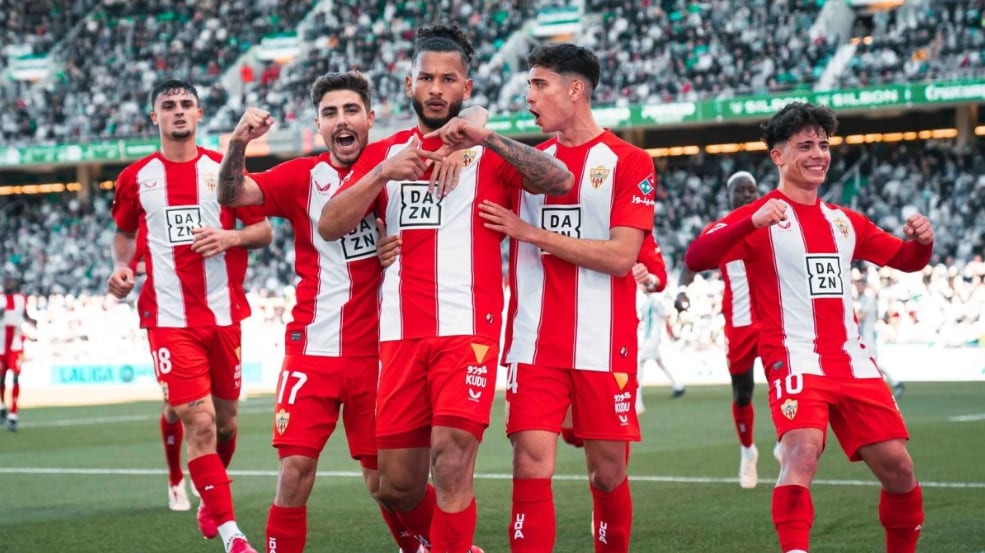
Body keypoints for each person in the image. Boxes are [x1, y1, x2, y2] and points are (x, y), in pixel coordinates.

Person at [318, 25, 573, 553]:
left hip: (467, 331)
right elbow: (330, 223)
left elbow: (559, 180)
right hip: (400, 337)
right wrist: (382, 173)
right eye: (428, 78)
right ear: (410, 83)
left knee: (453, 459)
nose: (437, 88)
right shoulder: (385, 154)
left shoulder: (485, 149)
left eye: (449, 79)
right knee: (397, 486)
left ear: (467, 88)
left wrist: (487, 137)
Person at [216, 71, 470, 553]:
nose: (342, 121)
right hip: (312, 349)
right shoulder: (300, 177)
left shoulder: (398, 170)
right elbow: (232, 196)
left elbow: (467, 123)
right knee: (294, 473)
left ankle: (435, 544)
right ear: (318, 124)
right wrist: (236, 144)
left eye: (351, 110)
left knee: (388, 485)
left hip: (377, 356)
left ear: (371, 118)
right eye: (330, 113)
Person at [685, 102, 931, 553]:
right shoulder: (760, 216)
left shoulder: (843, 221)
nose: (818, 153)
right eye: (804, 145)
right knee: (801, 453)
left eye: (823, 144)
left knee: (900, 471)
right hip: (795, 358)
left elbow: (906, 259)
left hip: (853, 362)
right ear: (777, 157)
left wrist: (923, 242)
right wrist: (748, 221)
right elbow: (696, 257)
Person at [474, 43, 656, 553]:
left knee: (607, 472)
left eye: (539, 84)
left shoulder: (629, 161)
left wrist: (532, 235)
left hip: (604, 343)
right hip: (534, 343)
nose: (528, 95)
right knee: (530, 462)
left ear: (575, 90)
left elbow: (622, 257)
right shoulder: (525, 165)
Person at [107, 78, 271, 553]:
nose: (178, 112)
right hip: (168, 318)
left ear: (200, 116)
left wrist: (232, 238)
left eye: (187, 105)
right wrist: (122, 267)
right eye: (168, 106)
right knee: (196, 423)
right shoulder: (136, 178)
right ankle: (232, 534)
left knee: (225, 424)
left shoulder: (225, 171)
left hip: (223, 316)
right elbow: (123, 234)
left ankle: (209, 493)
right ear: (153, 118)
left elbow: (262, 231)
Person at [677, 170, 765, 488]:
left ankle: (788, 441)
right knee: (743, 394)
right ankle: (747, 451)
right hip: (738, 327)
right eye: (739, 190)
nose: (746, 195)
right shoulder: (719, 231)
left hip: (772, 323)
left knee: (789, 385)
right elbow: (690, 263)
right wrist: (681, 291)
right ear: (728, 196)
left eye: (751, 190)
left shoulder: (774, 224)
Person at [854, 270, 905, 398]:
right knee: (870, 364)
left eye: (859, 283)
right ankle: (891, 385)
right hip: (863, 337)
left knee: (873, 364)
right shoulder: (861, 299)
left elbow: (861, 316)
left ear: (864, 285)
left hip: (869, 337)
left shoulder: (868, 299)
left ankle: (892, 385)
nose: (857, 286)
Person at [0, 274, 35, 432]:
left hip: (15, 344)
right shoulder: (0, 298)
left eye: (11, 280)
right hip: (1, 345)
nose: (9, 283)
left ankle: (13, 414)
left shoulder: (21, 299)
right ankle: (2, 406)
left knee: (15, 377)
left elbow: (25, 315)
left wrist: (32, 321)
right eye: (6, 281)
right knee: (1, 379)